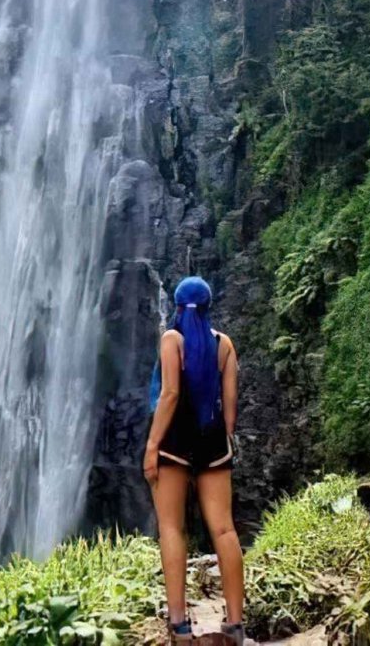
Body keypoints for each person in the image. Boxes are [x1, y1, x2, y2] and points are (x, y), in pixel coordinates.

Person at [144, 276, 245, 644]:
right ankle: (235, 623)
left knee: (171, 528)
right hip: (213, 441)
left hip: (173, 442)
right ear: (207, 305)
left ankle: (180, 624)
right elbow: (230, 409)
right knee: (224, 529)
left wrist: (152, 445)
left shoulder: (172, 340)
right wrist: (224, 438)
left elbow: (169, 394)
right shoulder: (224, 345)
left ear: (177, 305)